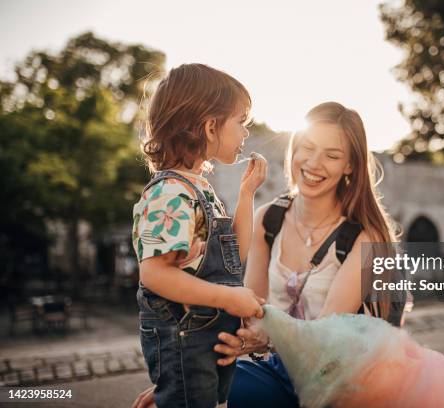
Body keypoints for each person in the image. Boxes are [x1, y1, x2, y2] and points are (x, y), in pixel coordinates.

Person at [133, 101, 407, 408]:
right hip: (282, 372)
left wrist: (267, 336)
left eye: (332, 155)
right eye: (307, 147)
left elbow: (326, 339)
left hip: (343, 384)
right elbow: (251, 309)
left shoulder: (365, 237)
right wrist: (183, 382)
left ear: (350, 166)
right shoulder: (269, 218)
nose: (314, 163)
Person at [132, 63, 268, 408]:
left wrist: (247, 194)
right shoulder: (171, 193)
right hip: (183, 338)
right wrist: (229, 298)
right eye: (242, 122)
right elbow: (156, 273)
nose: (245, 134)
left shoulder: (199, 187)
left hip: (204, 336)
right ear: (210, 126)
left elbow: (234, 249)